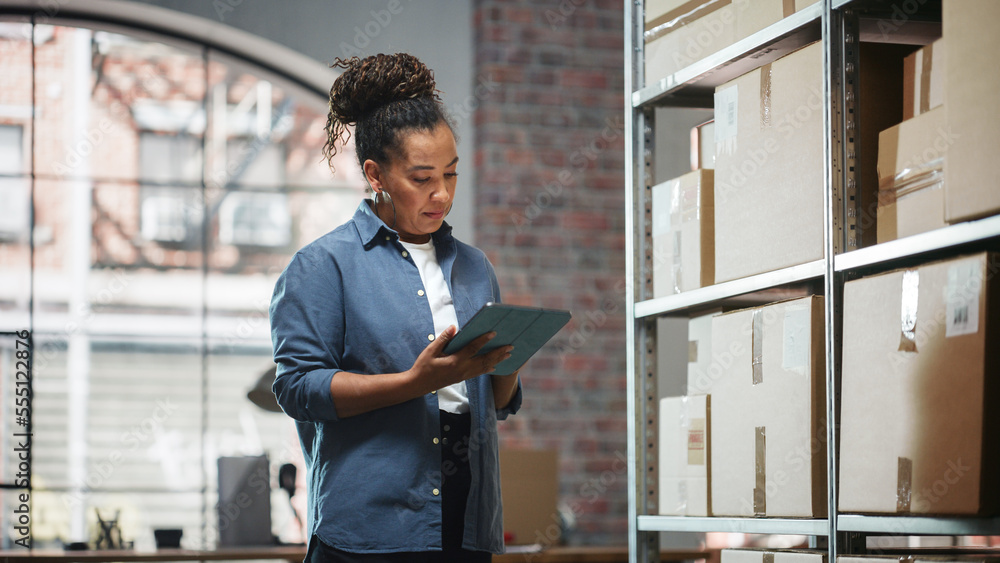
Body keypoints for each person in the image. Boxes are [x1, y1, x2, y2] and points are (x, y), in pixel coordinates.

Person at [269, 53, 521, 562]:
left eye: (450, 175)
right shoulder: (323, 266)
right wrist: (415, 383)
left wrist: (506, 360)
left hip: (469, 516)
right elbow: (297, 389)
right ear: (375, 174)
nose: (442, 194)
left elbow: (496, 403)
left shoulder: (475, 268)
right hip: (368, 525)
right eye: (422, 178)